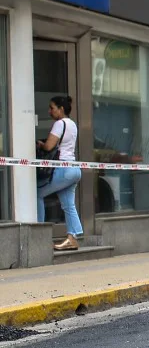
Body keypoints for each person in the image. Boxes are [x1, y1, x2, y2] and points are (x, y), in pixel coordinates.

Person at [36, 95, 83, 251]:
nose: (50, 111)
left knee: (38, 193)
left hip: (63, 169)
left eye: (52, 108)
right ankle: (73, 238)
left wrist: (41, 144)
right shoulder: (73, 124)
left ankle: (40, 235)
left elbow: (49, 147)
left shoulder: (59, 123)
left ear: (61, 109)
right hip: (74, 169)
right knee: (69, 205)